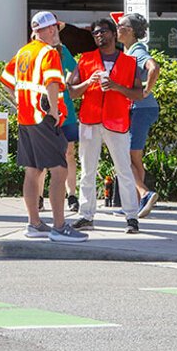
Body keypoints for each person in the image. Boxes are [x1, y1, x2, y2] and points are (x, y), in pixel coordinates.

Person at [0, 11, 88, 243]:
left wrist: (20, 101)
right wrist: (54, 111)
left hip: (26, 118)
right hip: (43, 119)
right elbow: (52, 83)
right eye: (55, 29)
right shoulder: (49, 53)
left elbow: (6, 80)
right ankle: (59, 227)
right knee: (59, 170)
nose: (56, 32)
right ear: (49, 30)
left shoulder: (23, 52)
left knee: (33, 170)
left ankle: (34, 224)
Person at [68, 18, 144, 234]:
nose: (99, 36)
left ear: (113, 33)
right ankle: (86, 214)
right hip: (90, 120)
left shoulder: (129, 63)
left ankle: (131, 217)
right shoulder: (85, 60)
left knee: (124, 170)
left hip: (117, 122)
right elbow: (72, 92)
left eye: (102, 31)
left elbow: (139, 94)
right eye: (95, 33)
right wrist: (87, 82)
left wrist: (117, 87)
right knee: (87, 170)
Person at [116, 13, 161, 218]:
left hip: (140, 109)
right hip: (137, 109)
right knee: (133, 157)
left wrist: (145, 91)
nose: (117, 28)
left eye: (121, 25)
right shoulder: (127, 51)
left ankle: (144, 194)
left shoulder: (137, 50)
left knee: (126, 156)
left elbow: (154, 67)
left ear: (131, 31)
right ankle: (135, 204)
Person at [37, 33, 81, 213]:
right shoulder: (36, 52)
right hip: (43, 111)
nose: (52, 33)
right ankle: (39, 197)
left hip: (65, 111)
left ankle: (71, 195)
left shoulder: (62, 51)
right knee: (42, 156)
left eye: (54, 29)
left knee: (69, 153)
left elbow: (76, 69)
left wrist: (68, 83)